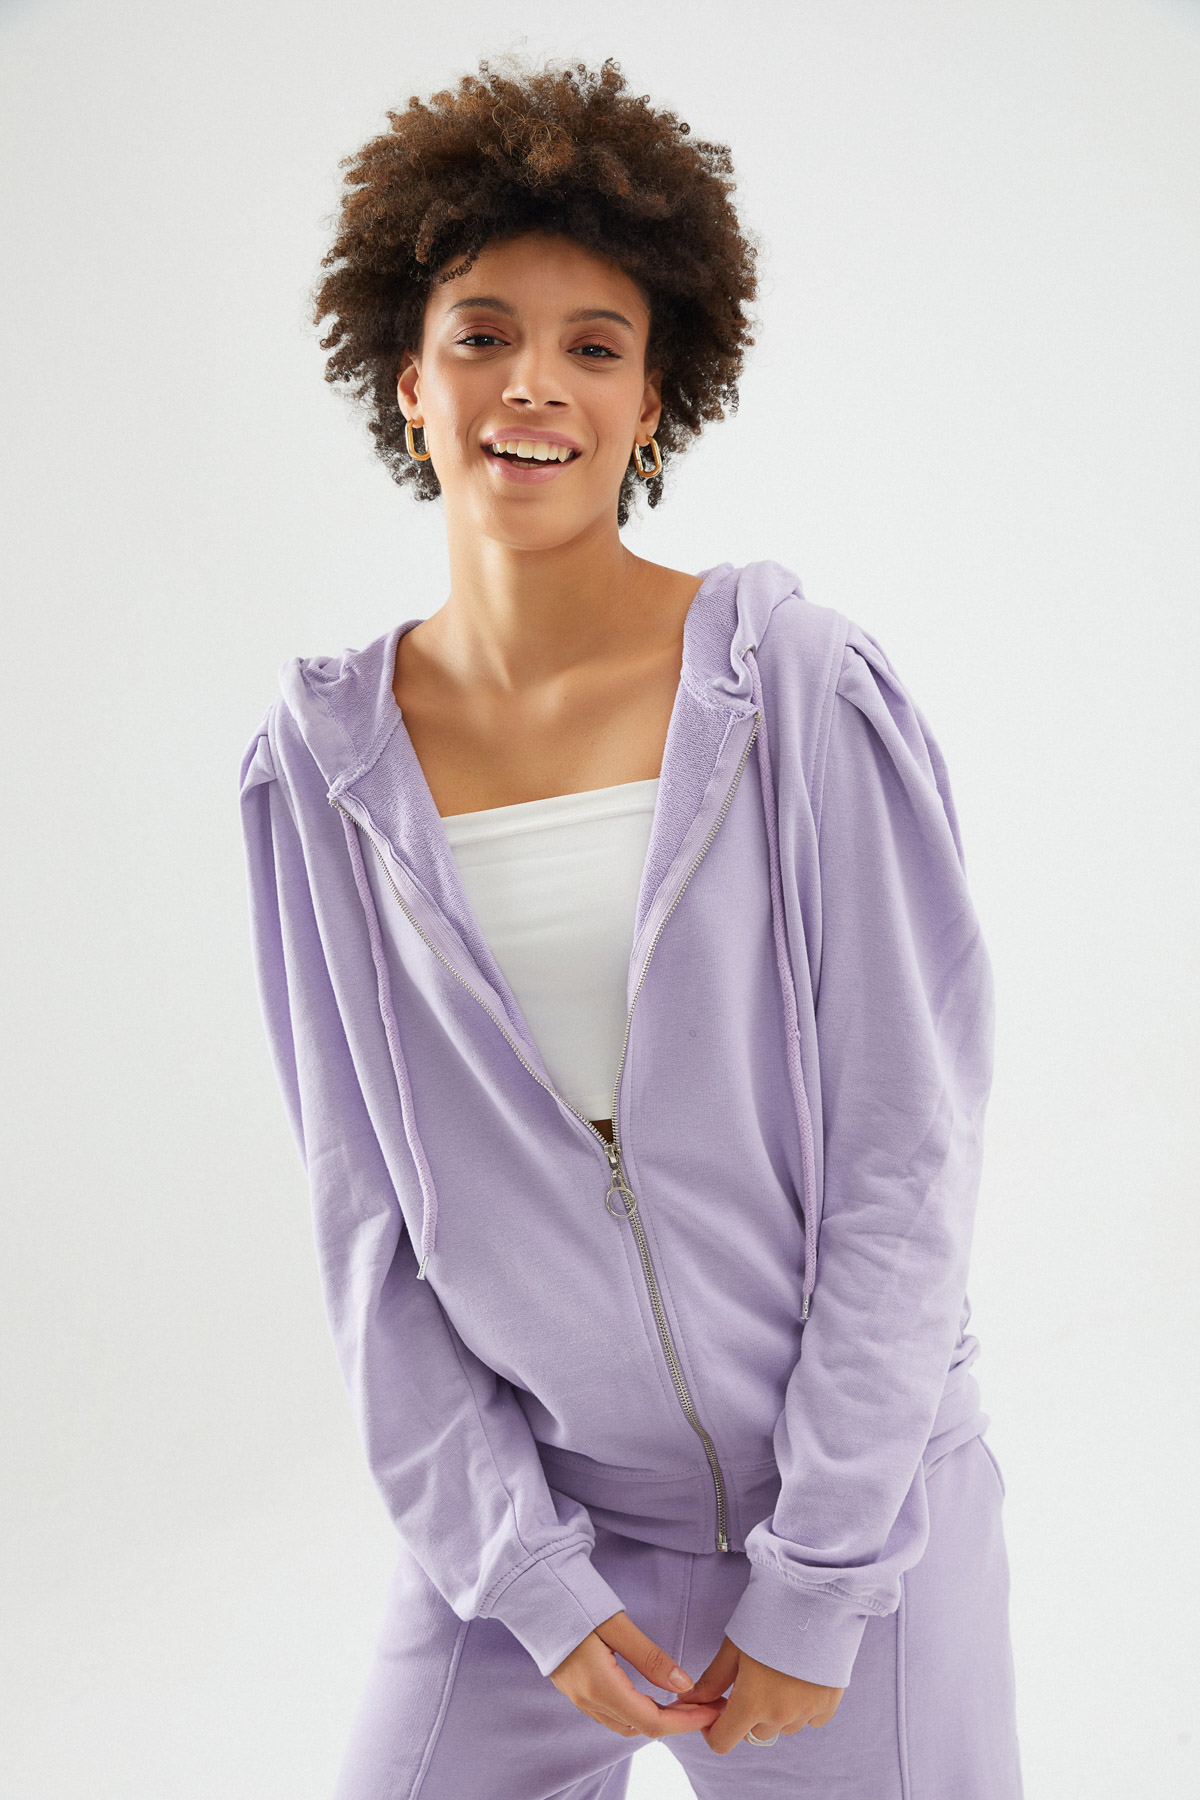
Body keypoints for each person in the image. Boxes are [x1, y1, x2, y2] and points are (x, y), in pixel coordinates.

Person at [238, 53, 1023, 1800]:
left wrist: (822, 1576)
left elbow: (907, 1151)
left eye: (595, 346)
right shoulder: (321, 771)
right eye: (483, 334)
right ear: (408, 379)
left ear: (654, 400)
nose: (535, 382)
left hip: (860, 1532)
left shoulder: (798, 693)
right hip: (543, 1540)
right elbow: (366, 1218)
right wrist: (517, 1570)